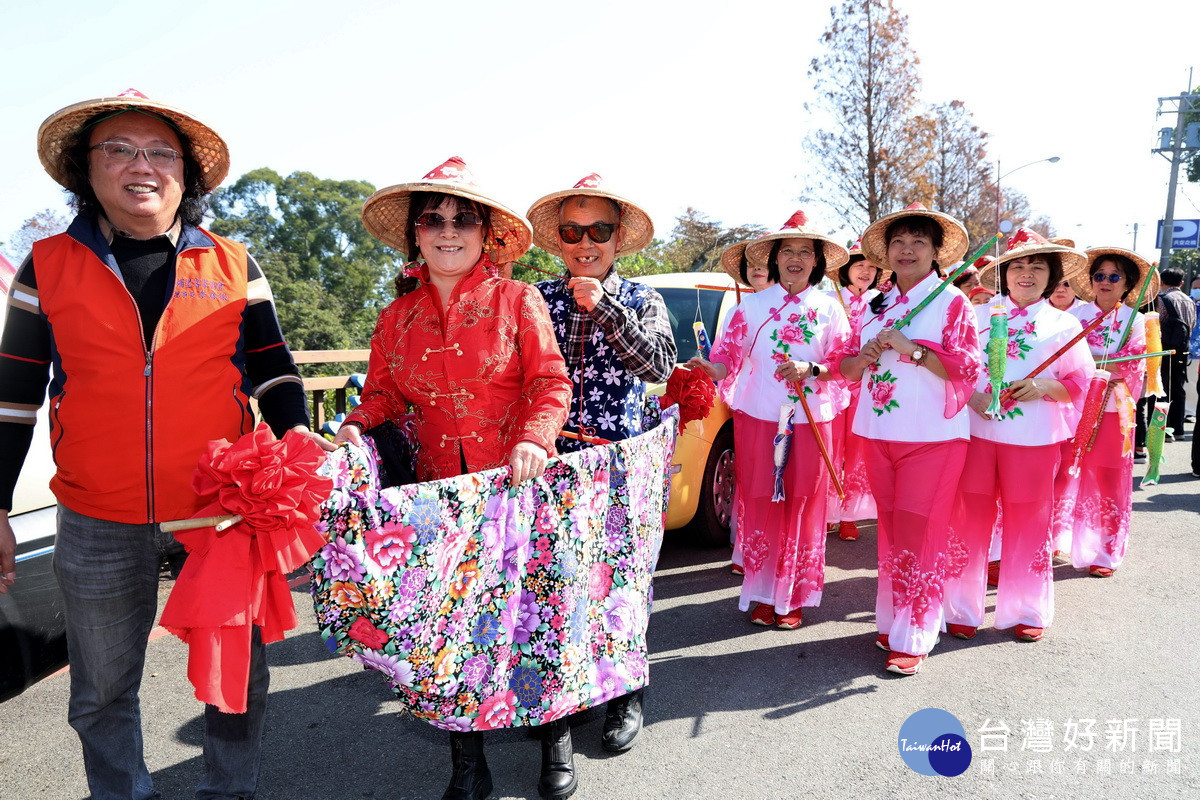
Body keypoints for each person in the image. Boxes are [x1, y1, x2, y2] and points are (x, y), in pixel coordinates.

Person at [0, 89, 321, 800]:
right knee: (100, 692)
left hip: (221, 512)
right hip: (96, 515)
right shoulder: (45, 266)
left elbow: (274, 370)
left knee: (235, 681)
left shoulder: (236, 263)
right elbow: (12, 400)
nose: (140, 165)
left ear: (186, 175)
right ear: (88, 172)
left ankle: (227, 794)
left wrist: (299, 439)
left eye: (160, 152)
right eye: (119, 149)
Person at [331, 157, 571, 800]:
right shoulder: (395, 319)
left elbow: (550, 383)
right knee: (454, 628)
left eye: (462, 219)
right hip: (441, 500)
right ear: (414, 234)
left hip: (522, 488)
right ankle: (468, 765)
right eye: (432, 219)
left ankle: (554, 740)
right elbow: (384, 395)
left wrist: (533, 439)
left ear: (486, 233)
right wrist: (356, 423)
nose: (447, 230)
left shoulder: (519, 301)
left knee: (534, 618)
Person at [525, 174, 675, 782]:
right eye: (572, 231)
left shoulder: (642, 299)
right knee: (556, 590)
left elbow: (660, 363)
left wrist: (604, 307)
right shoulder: (534, 297)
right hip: (554, 465)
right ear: (558, 240)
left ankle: (626, 694)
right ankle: (562, 701)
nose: (586, 243)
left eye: (599, 231)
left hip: (623, 466)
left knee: (623, 587)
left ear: (618, 239)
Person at [690, 210, 852, 630]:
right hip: (760, 416)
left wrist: (811, 370)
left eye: (804, 252)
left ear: (816, 261)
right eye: (787, 252)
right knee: (762, 499)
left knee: (803, 500)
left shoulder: (830, 309)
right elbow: (728, 359)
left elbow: (844, 365)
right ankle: (763, 592)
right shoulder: (752, 307)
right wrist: (712, 370)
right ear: (775, 259)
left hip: (811, 417)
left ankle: (794, 594)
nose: (795, 259)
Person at [839, 203, 979, 676]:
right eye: (898, 242)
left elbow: (966, 368)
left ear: (937, 251)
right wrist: (865, 357)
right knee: (894, 530)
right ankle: (894, 618)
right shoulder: (874, 303)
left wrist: (914, 350)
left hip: (933, 438)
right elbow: (847, 368)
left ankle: (917, 631)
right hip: (878, 432)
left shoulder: (951, 301)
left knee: (922, 530)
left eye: (919, 241)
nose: (907, 249)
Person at [944, 230, 1093, 643]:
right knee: (968, 520)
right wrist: (972, 397)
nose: (1026, 274)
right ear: (1004, 274)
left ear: (1051, 277)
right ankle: (960, 606)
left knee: (1029, 521)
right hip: (976, 432)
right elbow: (955, 371)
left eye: (1037, 267)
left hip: (1035, 438)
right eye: (1018, 266)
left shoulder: (1065, 325)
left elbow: (1080, 384)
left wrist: (1045, 387)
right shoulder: (976, 316)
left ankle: (1026, 607)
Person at [1057, 247, 1152, 577]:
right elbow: (1064, 360)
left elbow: (1135, 363)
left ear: (1126, 284)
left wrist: (1096, 370)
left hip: (1113, 409)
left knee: (1108, 477)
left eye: (1114, 276)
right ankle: (1060, 536)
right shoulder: (1075, 316)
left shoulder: (1136, 321)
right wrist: (1094, 370)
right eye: (1099, 276)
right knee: (1065, 473)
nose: (1106, 282)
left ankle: (1105, 549)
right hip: (1074, 407)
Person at [719, 237, 775, 575]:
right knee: (749, 476)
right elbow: (726, 356)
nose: (756, 268)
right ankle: (744, 547)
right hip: (746, 400)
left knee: (776, 480)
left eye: (764, 262)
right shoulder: (737, 309)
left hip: (784, 402)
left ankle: (770, 552)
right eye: (751, 262)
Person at [825, 238, 881, 541]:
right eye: (860, 265)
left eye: (872, 267)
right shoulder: (829, 300)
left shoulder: (880, 302)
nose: (866, 272)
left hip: (863, 387)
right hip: (833, 382)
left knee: (858, 452)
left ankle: (850, 514)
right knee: (831, 450)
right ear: (846, 269)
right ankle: (828, 511)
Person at [1154, 267, 1196, 438]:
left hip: (1164, 350)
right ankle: (1178, 429)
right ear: (1182, 283)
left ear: (1162, 282)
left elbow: (1157, 324)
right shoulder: (1189, 300)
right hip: (1183, 350)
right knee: (1178, 388)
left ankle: (1163, 430)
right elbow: (1191, 325)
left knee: (1162, 388)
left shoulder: (1163, 299)